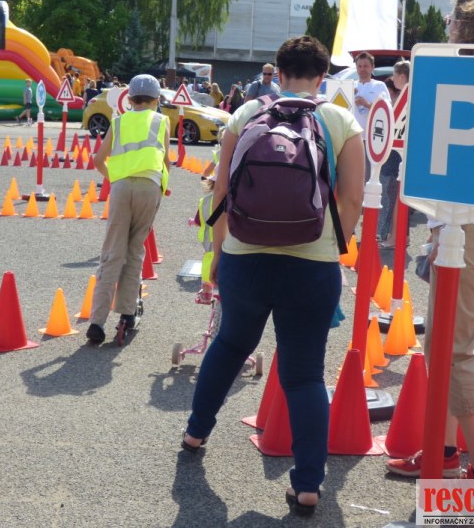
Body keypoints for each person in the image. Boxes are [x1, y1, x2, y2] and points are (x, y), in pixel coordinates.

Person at [181, 36, 365, 517]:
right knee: (304, 375)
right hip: (312, 265)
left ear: (278, 74)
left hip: (245, 256)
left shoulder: (245, 115)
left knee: (229, 345)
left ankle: (196, 432)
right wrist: (333, 247)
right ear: (322, 77)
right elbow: (352, 199)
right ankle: (307, 485)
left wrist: (218, 250)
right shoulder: (341, 121)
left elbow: (221, 192)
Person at [386, 0, 474, 480]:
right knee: (443, 345)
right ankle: (442, 451)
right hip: (471, 227)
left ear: (466, 25)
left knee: (454, 351)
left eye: (451, 21)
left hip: (471, 231)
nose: (447, 28)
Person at [86, 74, 170, 345]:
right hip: (149, 187)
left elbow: (98, 160)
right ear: (156, 100)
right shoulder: (161, 121)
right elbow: (166, 162)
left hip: (121, 188)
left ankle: (97, 322)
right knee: (134, 251)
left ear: (130, 99)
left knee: (112, 252)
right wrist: (161, 187)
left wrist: (115, 178)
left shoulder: (119, 122)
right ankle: (127, 314)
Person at [377, 59, 410, 249]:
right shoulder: (414, 94)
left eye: (395, 75)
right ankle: (401, 236)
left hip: (398, 153)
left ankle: (395, 237)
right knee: (399, 196)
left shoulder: (405, 97)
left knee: (395, 195)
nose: (392, 79)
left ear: (401, 76)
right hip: (402, 151)